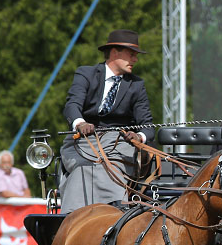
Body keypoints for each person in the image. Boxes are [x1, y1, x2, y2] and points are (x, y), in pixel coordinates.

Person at [59, 29, 155, 215]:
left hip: (117, 145)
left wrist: (139, 136)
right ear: (114, 52)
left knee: (110, 166)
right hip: (83, 140)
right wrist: (80, 123)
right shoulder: (86, 74)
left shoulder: (136, 85)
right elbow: (72, 105)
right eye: (131, 54)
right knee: (82, 167)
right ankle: (71, 216)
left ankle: (114, 210)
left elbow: (148, 126)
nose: (135, 60)